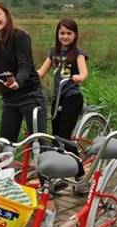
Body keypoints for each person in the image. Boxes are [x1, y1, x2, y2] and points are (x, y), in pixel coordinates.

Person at [0, 1, 47, 143]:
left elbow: (25, 66)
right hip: (9, 100)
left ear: (6, 15)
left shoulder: (20, 36)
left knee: (39, 144)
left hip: (30, 96)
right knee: (5, 144)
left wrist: (18, 81)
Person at [37, 17, 88, 193]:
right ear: (57, 34)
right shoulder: (53, 52)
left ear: (75, 35)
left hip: (72, 98)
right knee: (56, 138)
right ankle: (62, 175)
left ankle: (80, 177)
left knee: (64, 139)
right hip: (57, 99)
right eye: (62, 33)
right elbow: (41, 71)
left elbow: (84, 72)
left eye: (69, 33)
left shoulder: (78, 53)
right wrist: (27, 76)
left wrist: (79, 77)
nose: (65, 36)